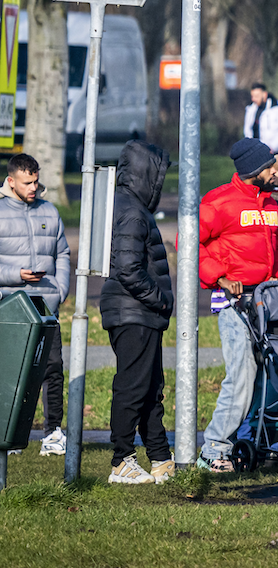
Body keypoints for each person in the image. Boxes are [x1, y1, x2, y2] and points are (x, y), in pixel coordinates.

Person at [197, 138, 278, 471]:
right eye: (268, 167)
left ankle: (252, 439)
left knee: (269, 375)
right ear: (254, 171)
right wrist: (219, 277)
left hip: (266, 303)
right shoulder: (218, 202)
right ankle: (213, 449)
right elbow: (190, 244)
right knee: (241, 375)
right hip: (234, 303)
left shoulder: (269, 203)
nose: (274, 171)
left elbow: (276, 254)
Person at [100, 141, 175, 484]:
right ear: (147, 174)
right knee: (132, 387)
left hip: (139, 313)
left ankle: (160, 458)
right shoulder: (131, 211)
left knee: (149, 387)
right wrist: (159, 299)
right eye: (159, 175)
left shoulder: (131, 207)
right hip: (135, 312)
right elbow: (129, 269)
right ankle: (121, 461)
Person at [0, 153, 70, 457]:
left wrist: (61, 288)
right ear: (11, 181)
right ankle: (9, 431)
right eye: (27, 182)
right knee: (12, 371)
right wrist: (15, 275)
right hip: (11, 304)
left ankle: (53, 432)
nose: (33, 187)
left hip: (45, 305)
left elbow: (63, 253)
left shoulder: (50, 211)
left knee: (52, 368)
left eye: (36, 181)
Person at [242, 82, 278, 154]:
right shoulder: (250, 109)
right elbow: (248, 129)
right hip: (257, 152)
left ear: (264, 94)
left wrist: (272, 147)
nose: (253, 99)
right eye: (252, 96)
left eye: (256, 96)